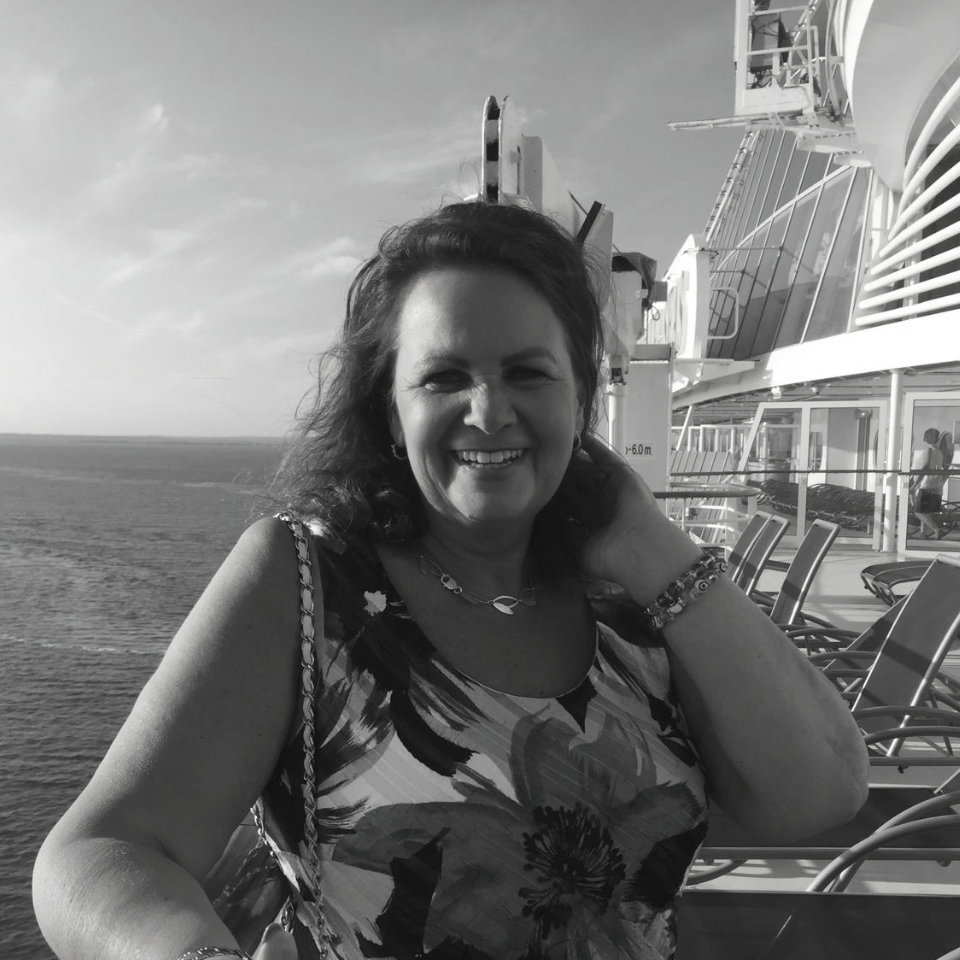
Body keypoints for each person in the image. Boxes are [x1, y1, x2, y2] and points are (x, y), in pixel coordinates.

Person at [33, 201, 868, 960]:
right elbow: (106, 853)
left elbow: (817, 795)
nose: (488, 409)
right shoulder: (307, 582)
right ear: (389, 412)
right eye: (443, 377)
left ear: (582, 395)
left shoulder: (638, 605)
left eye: (529, 373)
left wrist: (647, 541)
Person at [910, 427, 947, 539]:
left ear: (927, 438)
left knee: (918, 511)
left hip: (926, 483)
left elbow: (925, 467)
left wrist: (914, 484)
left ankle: (937, 529)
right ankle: (923, 533)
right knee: (926, 511)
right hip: (936, 484)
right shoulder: (940, 453)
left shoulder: (929, 450)